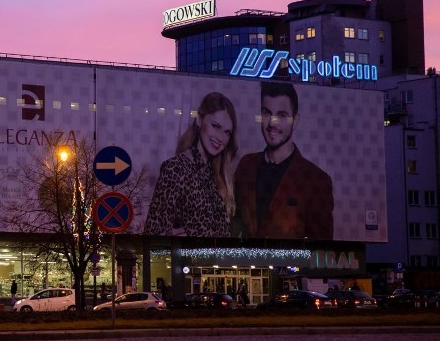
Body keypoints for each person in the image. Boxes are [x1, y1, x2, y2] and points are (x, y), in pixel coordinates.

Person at [234, 82, 334, 239]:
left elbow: (322, 251)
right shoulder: (246, 165)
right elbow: (233, 225)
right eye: (267, 113)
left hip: (291, 264)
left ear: (296, 120)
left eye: (282, 115)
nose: (272, 123)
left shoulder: (317, 180)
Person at [143, 92, 238, 237]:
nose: (220, 138)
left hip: (219, 259)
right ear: (199, 120)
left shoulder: (218, 175)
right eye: (215, 126)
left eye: (227, 132)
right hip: (189, 259)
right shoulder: (176, 168)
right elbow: (153, 230)